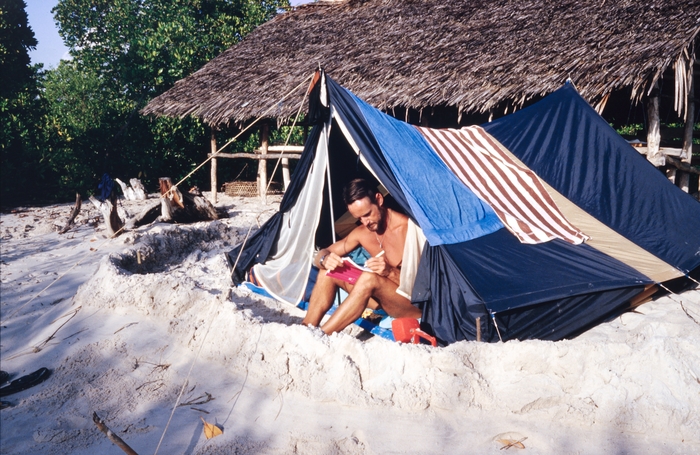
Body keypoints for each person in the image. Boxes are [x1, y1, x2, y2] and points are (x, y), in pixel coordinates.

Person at [302, 178, 422, 334]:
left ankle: (322, 334)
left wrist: (389, 272)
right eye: (359, 218)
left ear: (379, 200)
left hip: (411, 304)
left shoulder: (409, 230)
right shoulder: (363, 232)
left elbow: (424, 289)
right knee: (329, 270)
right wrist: (325, 259)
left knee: (369, 279)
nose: (365, 222)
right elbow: (321, 254)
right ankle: (306, 328)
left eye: (367, 214)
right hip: (382, 301)